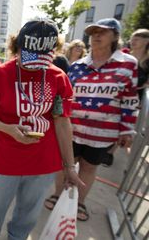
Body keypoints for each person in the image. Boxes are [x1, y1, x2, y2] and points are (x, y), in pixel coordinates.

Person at [0, 18, 84, 240]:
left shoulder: (58, 77)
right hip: (4, 160)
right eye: (28, 57)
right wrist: (7, 128)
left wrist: (69, 166)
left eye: (42, 58)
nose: (33, 64)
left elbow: (62, 122)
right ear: (17, 46)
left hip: (42, 161)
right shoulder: (1, 74)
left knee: (28, 214)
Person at [45, 18, 139, 222]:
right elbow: (64, 97)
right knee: (65, 164)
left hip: (103, 132)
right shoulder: (77, 66)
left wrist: (126, 130)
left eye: (102, 32)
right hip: (73, 128)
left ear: (115, 36)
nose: (96, 35)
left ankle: (79, 202)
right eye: (93, 31)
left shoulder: (128, 64)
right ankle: (57, 194)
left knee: (88, 167)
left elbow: (130, 100)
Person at [130, 28, 149, 100]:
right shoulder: (123, 57)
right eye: (132, 39)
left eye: (136, 39)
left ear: (146, 41)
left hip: (139, 100)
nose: (132, 41)